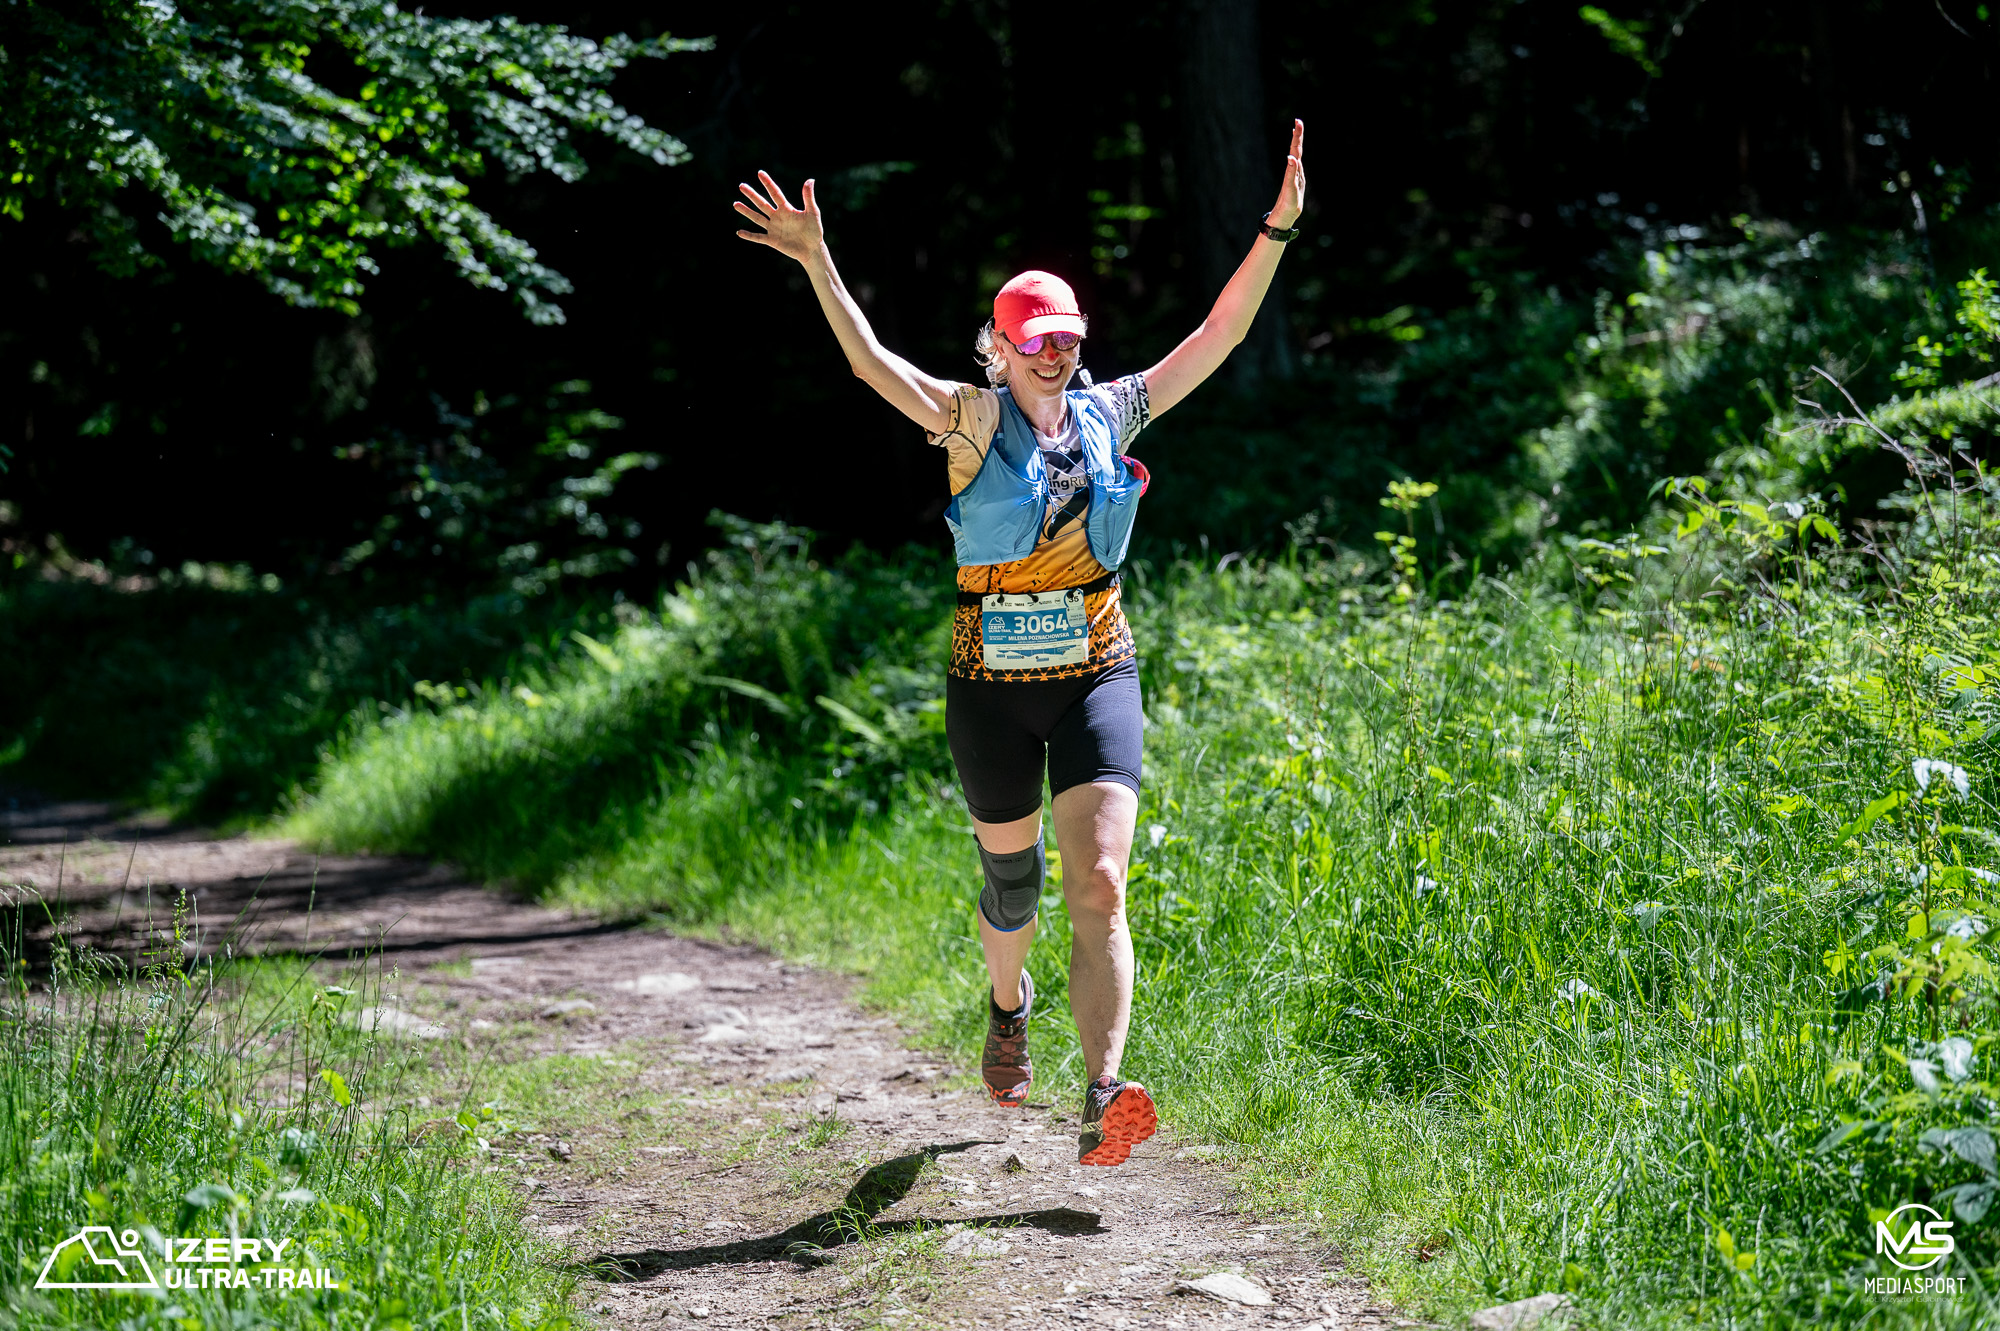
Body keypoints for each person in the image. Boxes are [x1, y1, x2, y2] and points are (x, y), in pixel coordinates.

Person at [733, 120, 1306, 1167]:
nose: (1057, 352)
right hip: (989, 689)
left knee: (1099, 881)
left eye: (1068, 336)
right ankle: (1008, 1004)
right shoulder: (965, 419)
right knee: (1015, 890)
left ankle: (1100, 1092)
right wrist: (817, 257)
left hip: (1095, 669)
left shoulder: (1109, 412)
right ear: (998, 347)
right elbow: (866, 363)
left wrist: (1274, 229)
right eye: (1035, 338)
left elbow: (1216, 337)